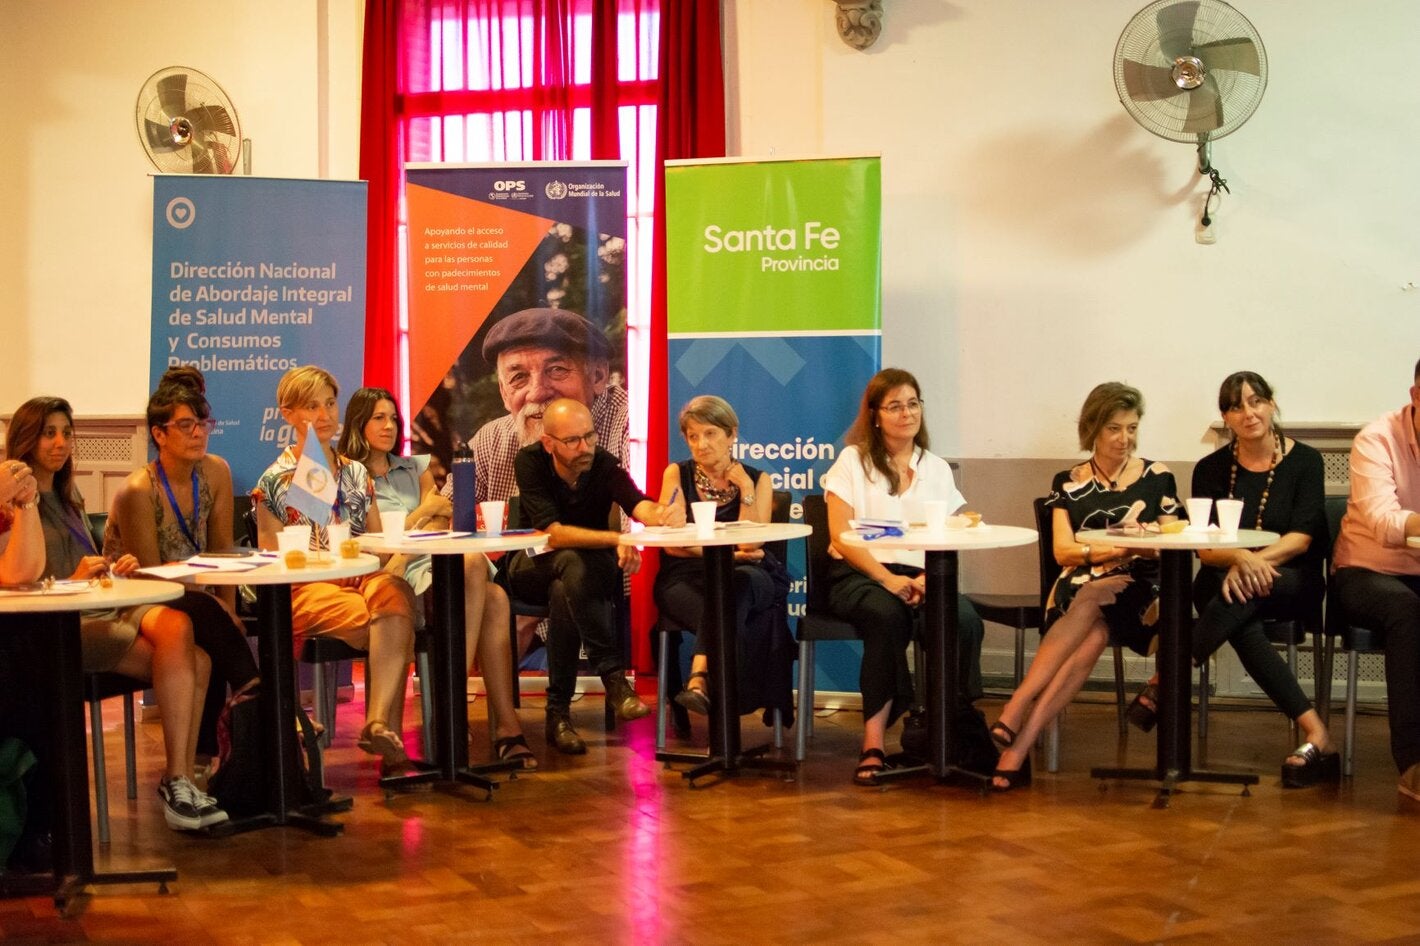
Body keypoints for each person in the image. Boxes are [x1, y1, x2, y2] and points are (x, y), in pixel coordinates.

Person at [6, 397, 225, 830]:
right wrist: (73, 575)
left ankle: (178, 781)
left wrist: (113, 563)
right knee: (190, 650)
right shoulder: (13, 498)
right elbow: (17, 579)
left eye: (67, 433)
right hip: (61, 624)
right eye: (49, 433)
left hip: (102, 605)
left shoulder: (70, 494)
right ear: (28, 439)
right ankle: (178, 782)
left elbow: (89, 558)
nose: (60, 443)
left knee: (188, 641)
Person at [991, 382, 1182, 791]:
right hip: (1076, 586)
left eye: (1132, 428)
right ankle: (1019, 747)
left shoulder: (1157, 477)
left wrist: (1096, 545)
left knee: (1097, 596)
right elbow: (1063, 550)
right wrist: (1120, 545)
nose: (1124, 439)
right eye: (1114, 428)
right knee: (1093, 631)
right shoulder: (1069, 481)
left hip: (1139, 588)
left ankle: (1016, 709)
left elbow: (1170, 544)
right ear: (1093, 429)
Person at [339, 386, 535, 770]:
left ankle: (481, 720)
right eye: (378, 417)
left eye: (393, 418)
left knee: (492, 593)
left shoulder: (415, 468)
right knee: (483, 580)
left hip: (433, 563)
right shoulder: (350, 475)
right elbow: (368, 542)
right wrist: (420, 516)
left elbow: (443, 516)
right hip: (391, 575)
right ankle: (475, 716)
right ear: (358, 423)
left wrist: (423, 520)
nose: (389, 425)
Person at [821, 368, 986, 787]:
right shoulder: (852, 462)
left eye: (913, 403)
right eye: (894, 405)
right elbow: (841, 536)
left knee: (964, 620)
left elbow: (948, 533)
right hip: (860, 573)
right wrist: (887, 579)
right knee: (887, 616)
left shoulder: (936, 468)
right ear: (875, 415)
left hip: (922, 572)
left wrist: (933, 579)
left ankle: (946, 727)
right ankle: (873, 743)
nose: (906, 413)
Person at [251, 366, 419, 775]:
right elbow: (272, 559)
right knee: (388, 627)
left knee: (396, 594)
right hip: (309, 588)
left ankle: (377, 722)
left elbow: (378, 544)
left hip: (362, 578)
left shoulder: (357, 472)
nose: (325, 415)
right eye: (312, 406)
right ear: (288, 414)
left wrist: (370, 559)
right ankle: (391, 751)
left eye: (329, 403)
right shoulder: (274, 480)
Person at [1184, 372, 1336, 785]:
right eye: (1236, 406)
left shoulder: (1306, 461)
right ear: (1225, 417)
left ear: (1271, 404)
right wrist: (1238, 560)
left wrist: (1250, 564)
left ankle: (1169, 679)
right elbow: (1203, 546)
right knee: (1238, 610)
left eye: (1256, 401)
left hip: (1293, 580)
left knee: (1235, 597)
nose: (1248, 413)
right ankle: (1317, 733)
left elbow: (1302, 539)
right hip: (1225, 580)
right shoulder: (1210, 469)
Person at [508, 398, 684, 754]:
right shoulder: (529, 461)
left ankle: (558, 714)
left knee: (567, 585)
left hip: (585, 572)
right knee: (568, 563)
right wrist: (619, 538)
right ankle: (614, 678)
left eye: (589, 436)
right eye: (573, 441)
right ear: (549, 443)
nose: (585, 447)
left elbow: (637, 502)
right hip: (532, 565)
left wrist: (661, 514)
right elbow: (553, 535)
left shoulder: (602, 464)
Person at [104, 366, 261, 760]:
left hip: (198, 598)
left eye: (204, 424)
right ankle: (258, 700)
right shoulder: (139, 490)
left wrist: (227, 605)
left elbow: (222, 550)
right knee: (201, 616)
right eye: (187, 425)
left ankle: (213, 754)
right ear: (159, 434)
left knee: (209, 620)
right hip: (137, 598)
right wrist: (215, 607)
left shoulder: (215, 472)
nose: (199, 433)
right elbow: (152, 577)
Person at [654, 396, 793, 724]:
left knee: (736, 587)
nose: (701, 444)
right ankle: (718, 700)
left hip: (749, 574)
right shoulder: (676, 475)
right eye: (693, 436)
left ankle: (700, 676)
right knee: (723, 604)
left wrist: (744, 486)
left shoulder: (759, 480)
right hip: (685, 576)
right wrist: (728, 554)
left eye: (711, 434)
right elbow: (672, 546)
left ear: (732, 435)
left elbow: (751, 540)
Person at [1332, 356, 1420, 801]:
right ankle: (1412, 762)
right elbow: (1385, 521)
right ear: (1416, 397)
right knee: (1408, 610)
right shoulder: (1376, 439)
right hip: (1366, 572)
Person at [462, 307, 629, 506]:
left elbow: (645, 531)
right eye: (519, 377)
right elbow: (444, 519)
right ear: (504, 393)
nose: (537, 393)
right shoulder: (490, 442)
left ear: (598, 376)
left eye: (556, 370)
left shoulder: (635, 431)